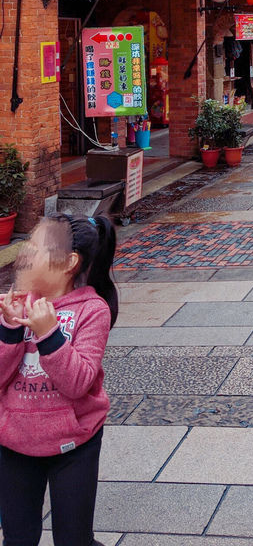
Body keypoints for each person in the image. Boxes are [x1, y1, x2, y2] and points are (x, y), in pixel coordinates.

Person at [0, 213, 118, 546]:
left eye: (36, 248)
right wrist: (9, 329)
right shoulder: (21, 304)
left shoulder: (92, 310)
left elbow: (79, 382)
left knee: (74, 539)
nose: (26, 257)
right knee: (18, 538)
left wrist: (48, 334)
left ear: (68, 262)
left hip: (74, 444)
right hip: (15, 441)